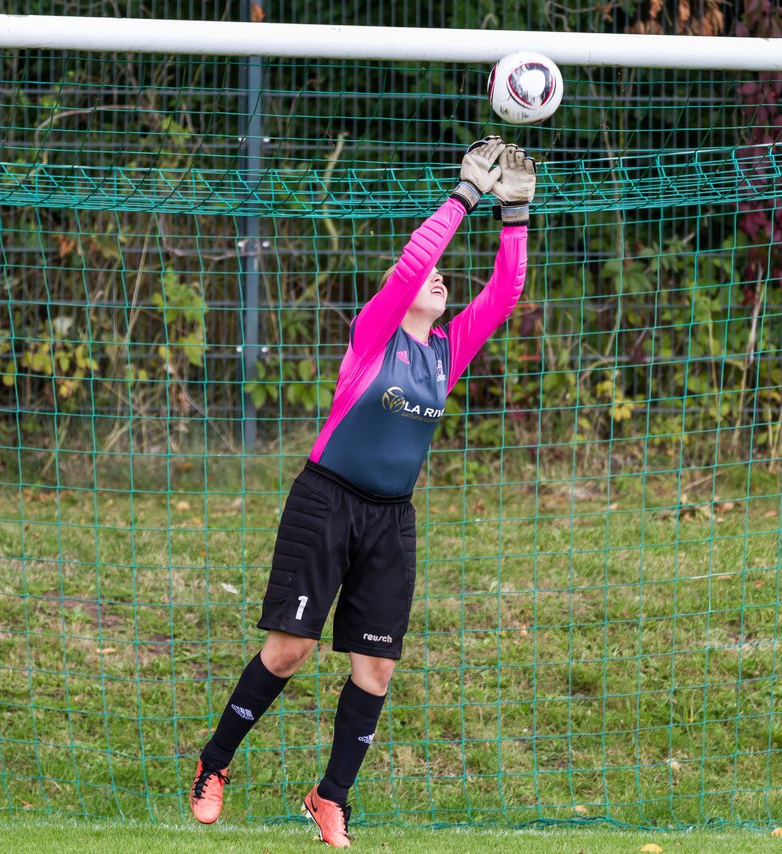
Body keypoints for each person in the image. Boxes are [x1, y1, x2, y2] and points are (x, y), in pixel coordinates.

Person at [188, 137, 536, 848]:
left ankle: (329, 797)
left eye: (444, 276)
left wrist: (517, 214)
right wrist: (464, 196)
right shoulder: (374, 335)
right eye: (428, 273)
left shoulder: (448, 349)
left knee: (376, 666)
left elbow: (506, 292)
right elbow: (414, 258)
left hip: (390, 520)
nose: (438, 278)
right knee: (289, 652)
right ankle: (214, 763)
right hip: (327, 501)